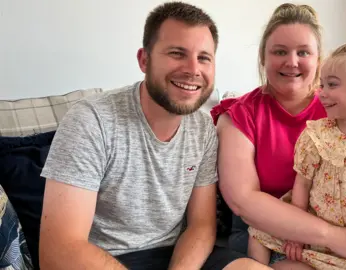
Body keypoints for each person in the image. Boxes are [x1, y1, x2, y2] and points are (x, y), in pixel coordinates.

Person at [38, 2, 271, 270]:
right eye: (177, 53)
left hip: (180, 255)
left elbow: (201, 224)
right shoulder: (91, 120)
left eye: (204, 57)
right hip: (103, 260)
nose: (193, 69)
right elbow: (59, 250)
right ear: (144, 60)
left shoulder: (203, 127)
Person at [212, 3, 346, 270]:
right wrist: (334, 237)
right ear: (263, 58)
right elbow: (243, 201)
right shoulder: (239, 115)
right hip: (271, 238)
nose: (292, 62)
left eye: (303, 52)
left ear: (318, 60)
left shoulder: (343, 108)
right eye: (280, 51)